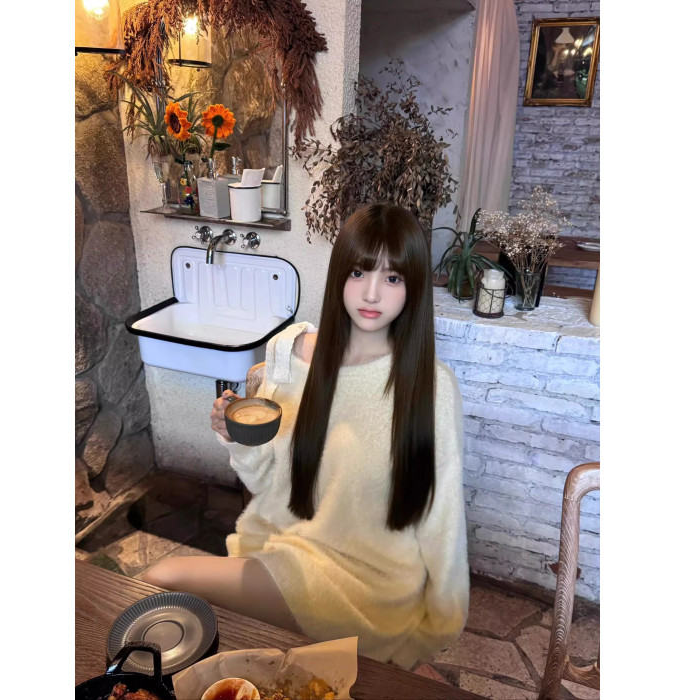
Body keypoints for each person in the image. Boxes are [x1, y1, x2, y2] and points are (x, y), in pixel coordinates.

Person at [142, 202, 469, 669]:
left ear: (413, 287)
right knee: (168, 597)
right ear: (339, 274)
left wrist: (438, 625)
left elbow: (443, 517)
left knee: (164, 576)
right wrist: (238, 437)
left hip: (371, 585)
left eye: (393, 278)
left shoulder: (431, 387)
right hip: (294, 550)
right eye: (358, 272)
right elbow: (269, 484)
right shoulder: (296, 360)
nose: (371, 293)